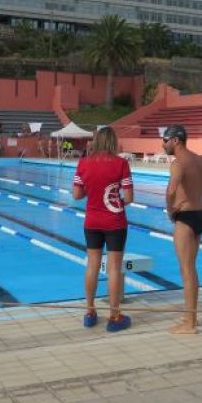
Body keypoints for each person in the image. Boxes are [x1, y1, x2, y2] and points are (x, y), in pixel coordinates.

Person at [72, 127, 133, 332]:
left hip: (92, 222)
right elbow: (129, 198)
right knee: (115, 268)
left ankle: (90, 312)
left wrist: (94, 192)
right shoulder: (121, 163)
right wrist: (114, 200)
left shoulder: (84, 163)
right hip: (115, 222)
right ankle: (114, 317)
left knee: (92, 265)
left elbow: (77, 195)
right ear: (113, 142)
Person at [162, 125, 202, 334]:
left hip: (185, 219)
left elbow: (170, 191)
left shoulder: (179, 163)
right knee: (191, 269)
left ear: (176, 140)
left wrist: (170, 211)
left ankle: (190, 323)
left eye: (165, 140)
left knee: (186, 271)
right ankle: (190, 317)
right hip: (197, 217)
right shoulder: (198, 161)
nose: (163, 144)